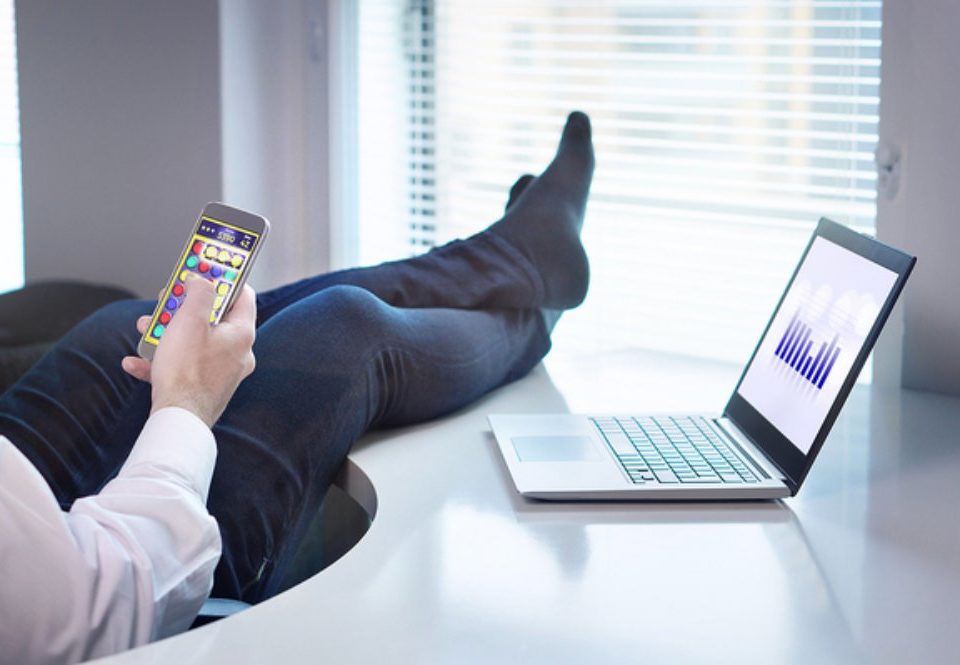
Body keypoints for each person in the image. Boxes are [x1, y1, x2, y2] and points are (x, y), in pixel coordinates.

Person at [0, 112, 595, 664]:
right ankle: (528, 299)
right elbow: (108, 602)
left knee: (122, 329)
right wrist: (184, 406)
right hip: (147, 597)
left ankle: (516, 261)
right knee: (340, 328)